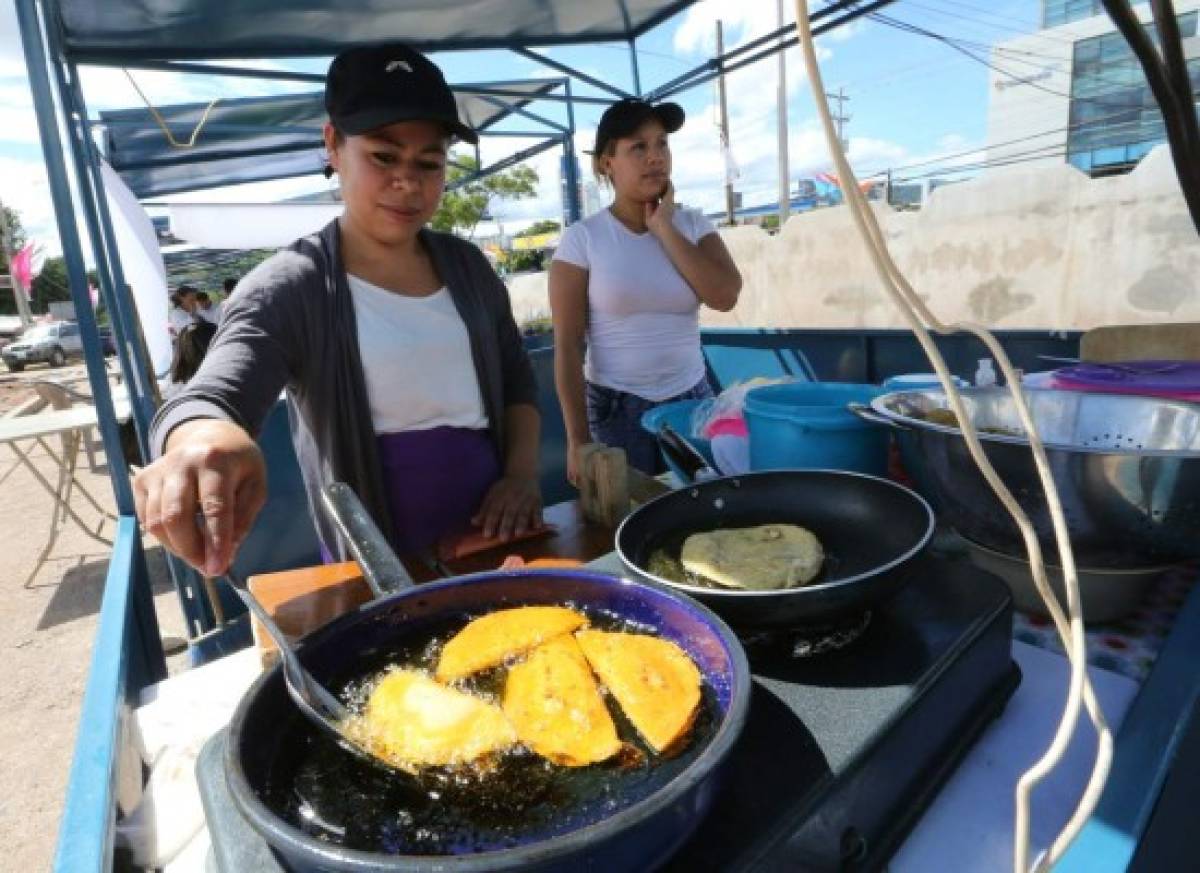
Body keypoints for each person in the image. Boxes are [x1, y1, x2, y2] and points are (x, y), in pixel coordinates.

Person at [135, 43, 542, 577]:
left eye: (430, 162)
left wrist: (520, 476)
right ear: (333, 144)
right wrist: (201, 438)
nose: (408, 182)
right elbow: (213, 395)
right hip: (375, 561)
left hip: (496, 538)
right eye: (383, 156)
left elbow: (516, 378)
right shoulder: (292, 285)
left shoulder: (467, 266)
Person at [549, 98, 742, 481]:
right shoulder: (583, 239)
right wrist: (577, 440)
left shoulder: (691, 224)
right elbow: (568, 345)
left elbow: (724, 296)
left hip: (691, 399)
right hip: (615, 406)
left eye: (662, 144)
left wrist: (664, 228)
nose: (656, 157)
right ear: (608, 162)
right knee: (628, 520)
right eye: (639, 147)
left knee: (702, 512)